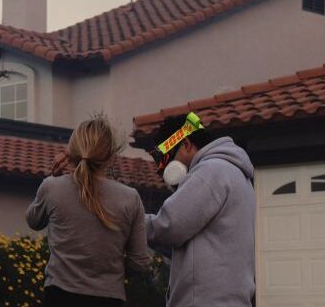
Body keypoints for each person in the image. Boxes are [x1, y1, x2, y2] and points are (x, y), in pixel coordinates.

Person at [26, 114, 150, 307]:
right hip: (108, 298)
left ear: (74, 150)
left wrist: (54, 176)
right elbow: (140, 263)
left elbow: (34, 221)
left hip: (59, 296)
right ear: (110, 155)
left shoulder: (52, 188)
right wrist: (111, 269)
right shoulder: (130, 198)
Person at [144, 112, 255, 306]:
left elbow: (168, 226)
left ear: (186, 144)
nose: (164, 169)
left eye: (166, 159)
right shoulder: (236, 173)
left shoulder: (209, 172)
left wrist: (127, 219)